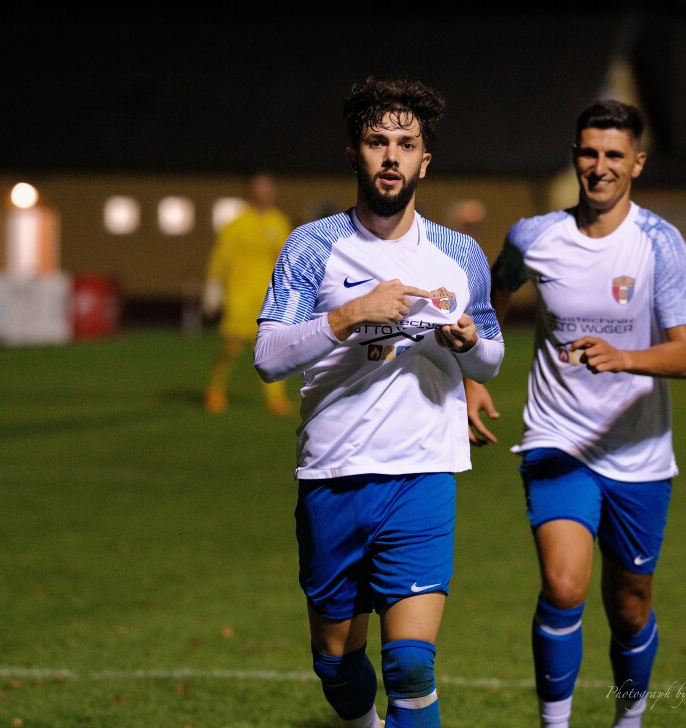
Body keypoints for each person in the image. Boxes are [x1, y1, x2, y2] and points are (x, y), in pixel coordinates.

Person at [254, 75, 505, 727]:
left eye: (405, 143)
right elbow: (268, 358)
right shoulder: (312, 246)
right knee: (337, 668)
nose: (390, 156)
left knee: (412, 665)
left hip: (421, 473)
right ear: (354, 156)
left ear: (426, 160)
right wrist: (352, 315)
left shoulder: (460, 255)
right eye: (376, 142)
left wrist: (468, 343)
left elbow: (492, 360)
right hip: (332, 477)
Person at [466, 99, 686, 728]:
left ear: (637, 163)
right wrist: (473, 377)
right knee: (565, 586)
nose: (598, 167)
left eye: (612, 156)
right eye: (588, 153)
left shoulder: (660, 243)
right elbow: (496, 295)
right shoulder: (533, 235)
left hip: (638, 453)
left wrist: (623, 357)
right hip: (558, 440)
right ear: (575, 155)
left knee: (629, 606)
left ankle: (629, 719)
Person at [202, 172, 293, 415]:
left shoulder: (279, 222)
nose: (263, 193)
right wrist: (213, 284)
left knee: (272, 347)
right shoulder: (237, 224)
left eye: (267, 189)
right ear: (250, 192)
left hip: (268, 295)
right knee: (232, 344)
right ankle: (214, 390)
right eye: (258, 189)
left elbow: (286, 259)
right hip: (238, 294)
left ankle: (275, 397)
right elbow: (222, 255)